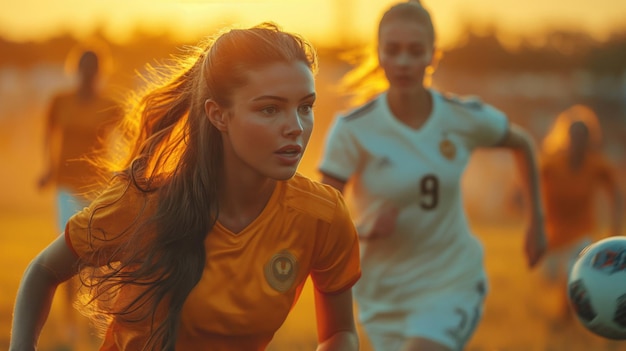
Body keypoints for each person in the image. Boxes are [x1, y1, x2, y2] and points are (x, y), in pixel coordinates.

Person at [11, 22, 361, 351]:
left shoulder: (322, 215)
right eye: (270, 109)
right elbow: (42, 272)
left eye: (306, 107)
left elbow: (340, 332)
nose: (296, 127)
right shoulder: (144, 203)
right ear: (218, 114)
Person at [318, 2, 546, 351]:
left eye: (415, 50)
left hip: (451, 280)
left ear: (433, 56)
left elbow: (523, 144)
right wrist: (364, 229)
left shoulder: (461, 116)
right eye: (393, 50)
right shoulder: (352, 129)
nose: (404, 61)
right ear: (378, 55)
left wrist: (536, 222)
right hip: (383, 293)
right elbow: (322, 217)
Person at [37, 46, 122, 349]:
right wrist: (48, 168)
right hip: (67, 188)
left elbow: (129, 136)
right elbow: (49, 133)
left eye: (93, 66)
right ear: (76, 69)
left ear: (100, 71)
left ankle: (99, 321)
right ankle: (69, 325)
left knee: (101, 260)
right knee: (69, 253)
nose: (88, 72)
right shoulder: (60, 102)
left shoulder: (110, 106)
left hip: (98, 189)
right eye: (83, 66)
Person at [539, 104, 623, 322]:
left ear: (589, 138)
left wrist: (615, 227)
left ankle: (569, 316)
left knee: (573, 273)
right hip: (553, 233)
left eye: (582, 136)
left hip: (582, 231)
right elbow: (528, 186)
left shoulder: (596, 165)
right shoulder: (551, 163)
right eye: (573, 135)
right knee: (550, 277)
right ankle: (567, 313)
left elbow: (615, 193)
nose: (577, 140)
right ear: (565, 136)